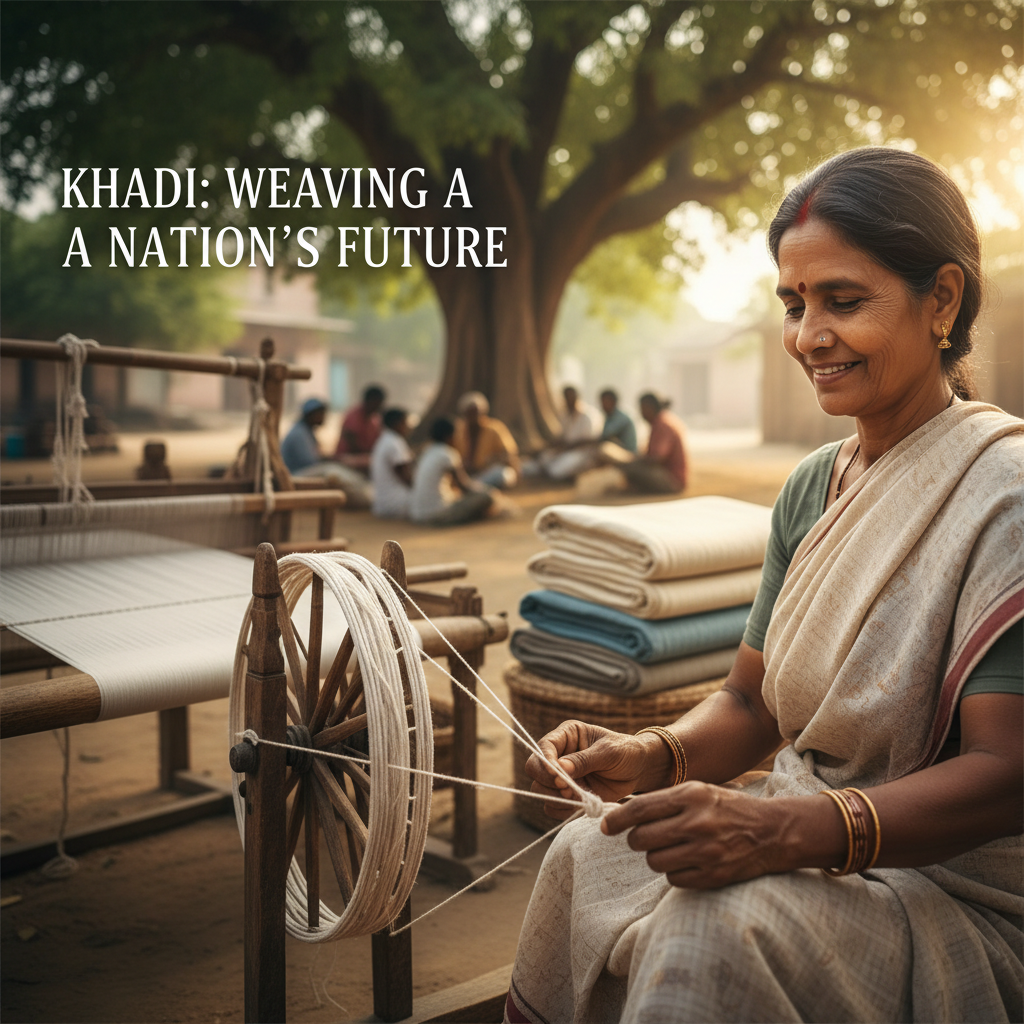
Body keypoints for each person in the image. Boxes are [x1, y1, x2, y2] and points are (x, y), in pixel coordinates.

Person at [507, 147, 1023, 1024]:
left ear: (942, 299)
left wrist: (781, 832)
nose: (808, 336)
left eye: (843, 301)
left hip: (959, 889)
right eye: (794, 304)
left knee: (713, 929)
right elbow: (750, 706)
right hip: (805, 826)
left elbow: (1007, 773)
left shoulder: (1003, 497)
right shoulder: (812, 489)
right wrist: (653, 756)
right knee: (584, 854)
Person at [279, 396, 373, 509]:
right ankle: (365, 500)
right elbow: (310, 462)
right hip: (295, 474)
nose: (324, 417)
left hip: (303, 471)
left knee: (338, 469)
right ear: (311, 415)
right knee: (332, 471)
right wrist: (333, 460)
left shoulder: (306, 431)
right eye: (321, 414)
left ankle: (366, 495)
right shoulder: (299, 434)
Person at [410, 417, 493, 527]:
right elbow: (464, 485)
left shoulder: (426, 451)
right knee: (486, 497)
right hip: (437, 514)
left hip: (418, 514)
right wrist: (488, 491)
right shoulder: (448, 454)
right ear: (449, 436)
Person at [523, 385, 603, 481]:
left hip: (582, 452)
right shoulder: (564, 415)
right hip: (566, 450)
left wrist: (566, 447)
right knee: (543, 459)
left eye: (571, 397)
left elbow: (589, 441)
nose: (569, 400)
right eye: (566, 398)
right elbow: (562, 437)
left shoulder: (588, 415)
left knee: (556, 471)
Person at [617, 391, 688, 493]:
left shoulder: (662, 425)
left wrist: (634, 460)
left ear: (649, 407)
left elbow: (657, 458)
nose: (641, 413)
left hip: (673, 480)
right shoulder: (664, 420)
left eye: (642, 408)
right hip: (673, 477)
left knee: (629, 467)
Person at [452, 391, 520, 489]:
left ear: (483, 413)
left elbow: (509, 453)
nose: (474, 418)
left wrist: (489, 462)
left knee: (504, 474)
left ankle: (474, 488)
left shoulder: (495, 428)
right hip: (465, 475)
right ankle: (471, 488)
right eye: (470, 414)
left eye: (476, 413)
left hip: (487, 473)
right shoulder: (459, 430)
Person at [370, 407, 414, 519]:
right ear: (397, 424)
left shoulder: (384, 440)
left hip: (381, 503)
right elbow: (406, 477)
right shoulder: (395, 443)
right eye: (405, 423)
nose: (408, 427)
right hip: (396, 503)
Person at [333, 384, 385, 468]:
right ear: (370, 401)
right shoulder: (353, 416)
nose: (379, 407)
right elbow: (354, 446)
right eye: (377, 403)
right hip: (347, 459)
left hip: (362, 458)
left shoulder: (374, 419)